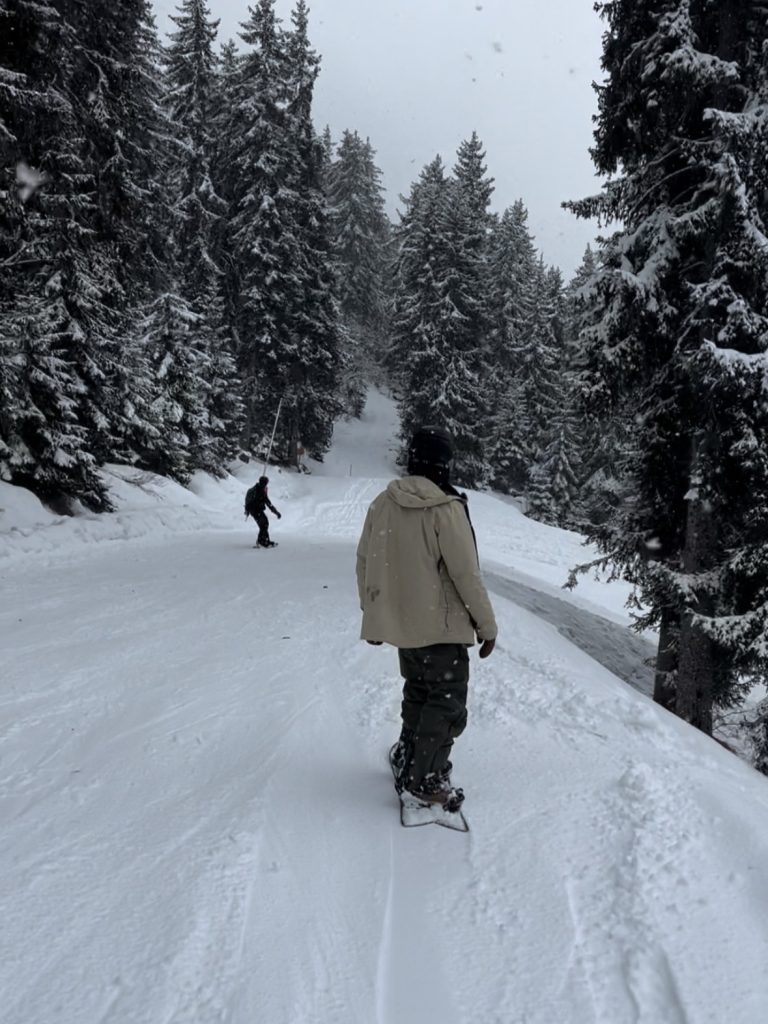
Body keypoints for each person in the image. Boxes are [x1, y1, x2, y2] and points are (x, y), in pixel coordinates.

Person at [356, 425, 497, 808]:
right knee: (446, 703)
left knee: (419, 692)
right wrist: (487, 626)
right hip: (442, 629)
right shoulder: (445, 509)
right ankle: (426, 779)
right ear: (444, 463)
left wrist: (373, 613)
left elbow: (366, 561)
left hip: (405, 630)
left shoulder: (383, 503)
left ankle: (408, 756)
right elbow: (466, 574)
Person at [244, 475, 281, 548]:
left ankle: (265, 541)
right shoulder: (261, 491)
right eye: (266, 483)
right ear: (265, 483)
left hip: (254, 510)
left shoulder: (257, 488)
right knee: (264, 524)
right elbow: (268, 504)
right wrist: (276, 513)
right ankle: (262, 542)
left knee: (264, 524)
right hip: (255, 510)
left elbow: (267, 503)